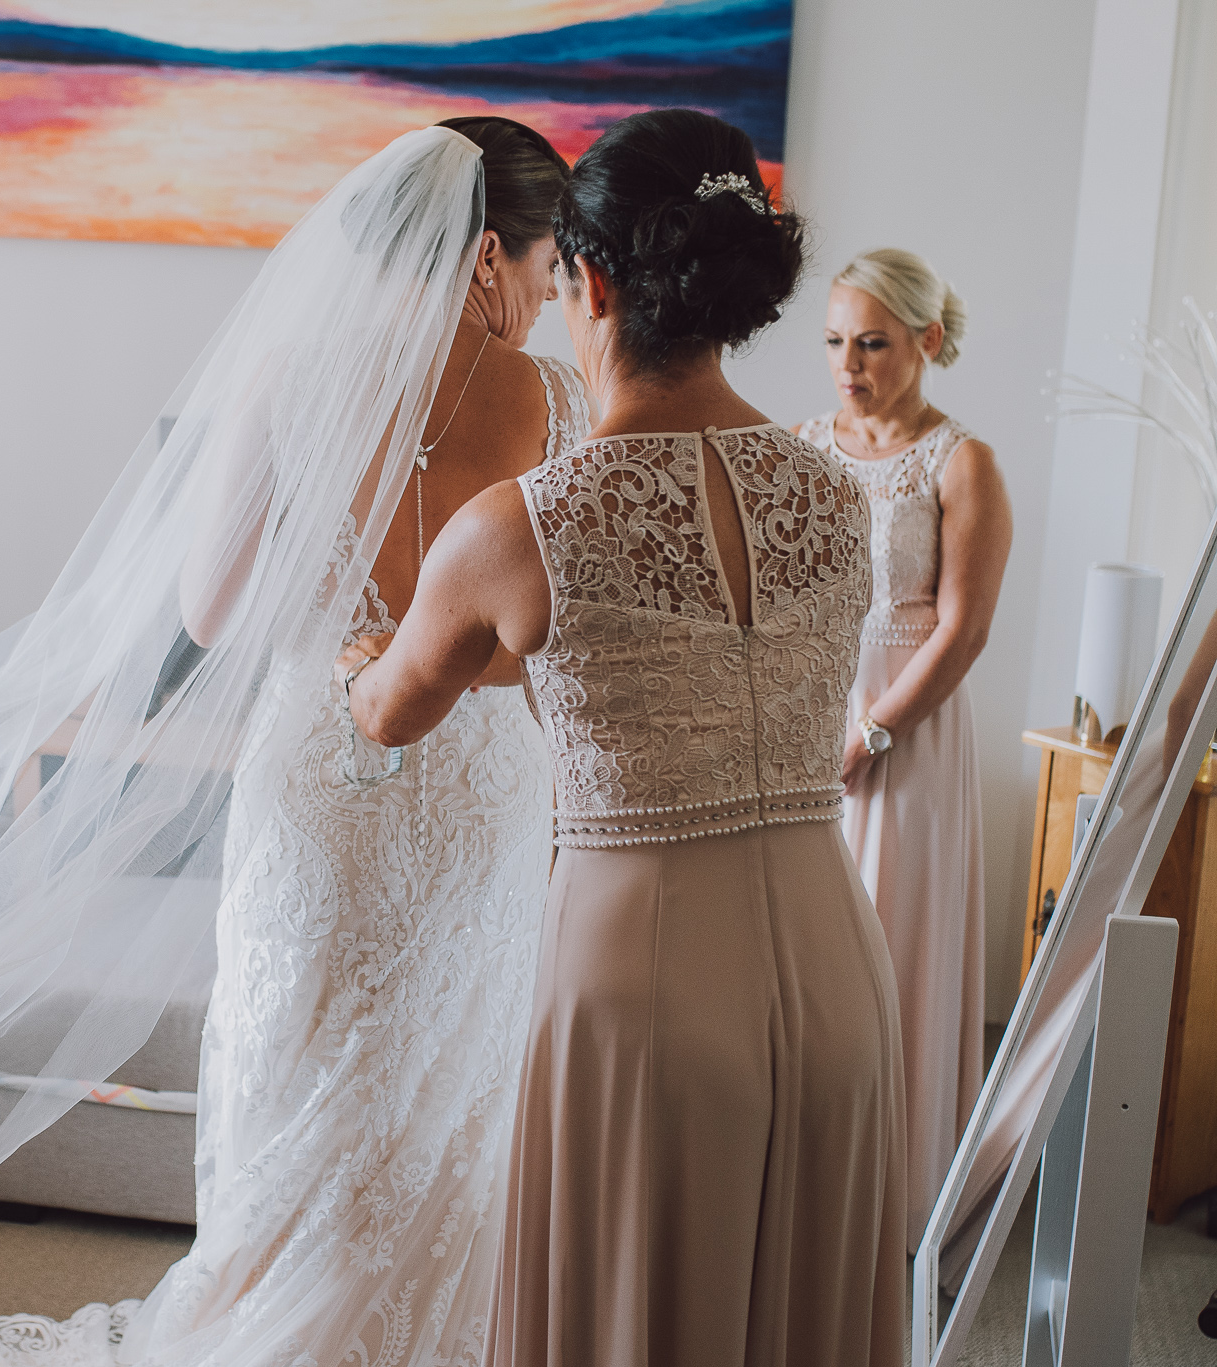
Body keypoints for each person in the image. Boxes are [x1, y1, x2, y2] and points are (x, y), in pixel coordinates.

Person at [0, 116, 594, 1367]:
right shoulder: (555, 398)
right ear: (488, 259)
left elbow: (209, 608)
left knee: (296, 1056)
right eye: (542, 263)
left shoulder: (290, 372)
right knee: (451, 1071)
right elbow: (555, 627)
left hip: (318, 767)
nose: (548, 293)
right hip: (480, 774)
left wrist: (341, 604)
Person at [342, 109, 907, 1365]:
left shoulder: (518, 527)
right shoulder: (836, 487)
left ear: (587, 278)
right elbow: (691, 654)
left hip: (640, 987)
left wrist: (348, 660)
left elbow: (390, 708)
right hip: (833, 960)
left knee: (637, 1320)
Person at [798, 247, 1011, 1244]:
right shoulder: (806, 444)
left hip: (907, 721)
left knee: (891, 949)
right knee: (804, 951)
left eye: (871, 342)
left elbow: (962, 628)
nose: (848, 363)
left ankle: (893, 1205)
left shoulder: (960, 461)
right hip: (809, 715)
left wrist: (872, 732)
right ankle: (805, 1172)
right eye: (836, 341)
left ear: (926, 341)